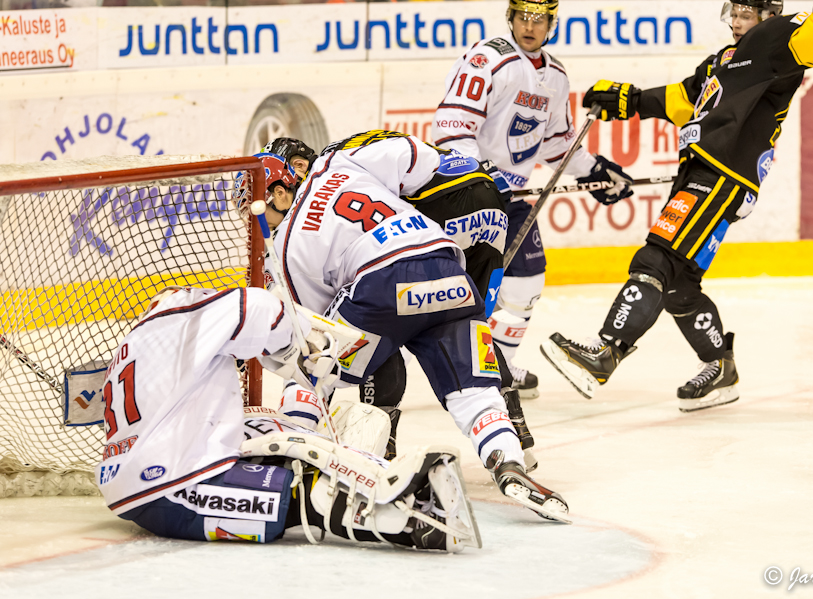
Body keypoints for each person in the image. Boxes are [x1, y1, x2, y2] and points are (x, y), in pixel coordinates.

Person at [541, 0, 813, 411]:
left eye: (746, 15)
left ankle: (607, 351)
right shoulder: (724, 59)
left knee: (657, 258)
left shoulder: (776, 40)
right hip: (704, 174)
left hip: (722, 176)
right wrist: (630, 100)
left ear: (767, 17)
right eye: (734, 13)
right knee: (679, 285)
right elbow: (684, 99)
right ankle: (720, 368)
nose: (737, 22)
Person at [266, 136, 570, 523]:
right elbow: (420, 159)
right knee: (473, 390)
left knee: (315, 365)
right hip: (445, 261)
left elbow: (313, 332)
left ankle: (291, 442)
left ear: (277, 192)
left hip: (382, 280)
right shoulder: (340, 161)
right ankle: (508, 462)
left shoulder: (286, 244)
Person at [96, 284, 481, 551]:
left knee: (279, 430)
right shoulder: (186, 315)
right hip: (177, 485)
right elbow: (264, 309)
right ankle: (414, 521)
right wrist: (307, 348)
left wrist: (303, 390)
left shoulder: (136, 345)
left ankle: (346, 462)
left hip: (139, 484)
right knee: (305, 492)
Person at [431, 0, 634, 401]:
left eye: (539, 18)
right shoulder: (487, 58)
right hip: (468, 194)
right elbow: (451, 128)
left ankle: (496, 368)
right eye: (523, 16)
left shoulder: (555, 76)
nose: (530, 25)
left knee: (526, 284)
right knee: (463, 287)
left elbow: (557, 145)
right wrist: (480, 177)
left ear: (552, 23)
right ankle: (453, 363)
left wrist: (596, 171)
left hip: (514, 197)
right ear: (510, 18)